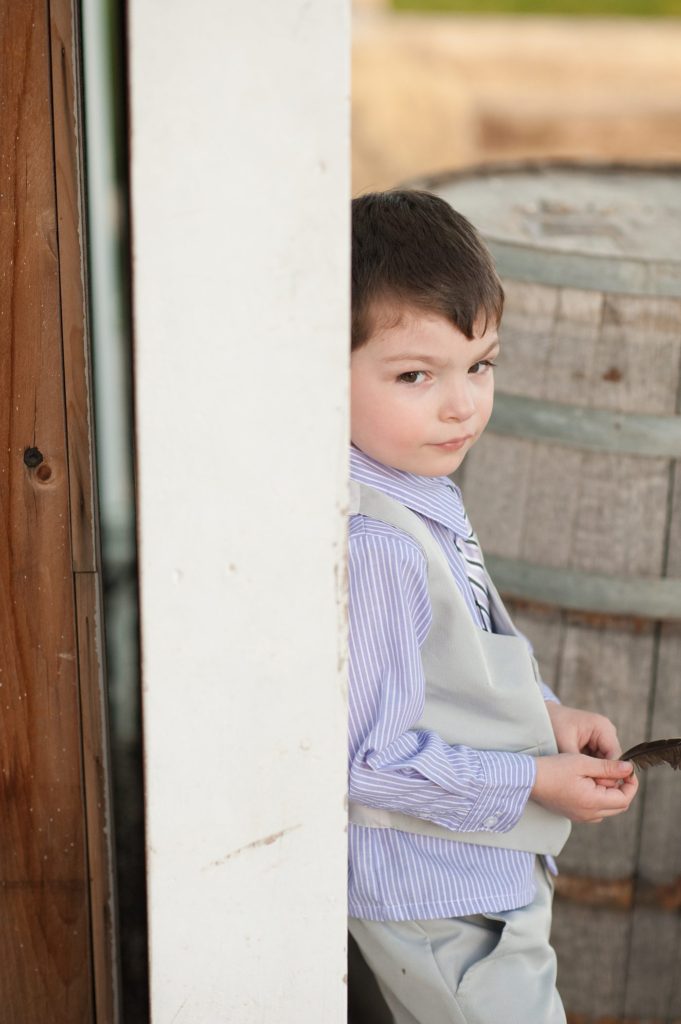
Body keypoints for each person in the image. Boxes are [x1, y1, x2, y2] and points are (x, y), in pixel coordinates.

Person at [347, 189, 639, 1024]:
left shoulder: (415, 484)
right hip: (442, 897)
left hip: (478, 877)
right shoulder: (377, 544)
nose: (461, 404)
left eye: (479, 365)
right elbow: (369, 762)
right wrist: (535, 779)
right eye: (415, 375)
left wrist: (544, 715)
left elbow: (457, 657)